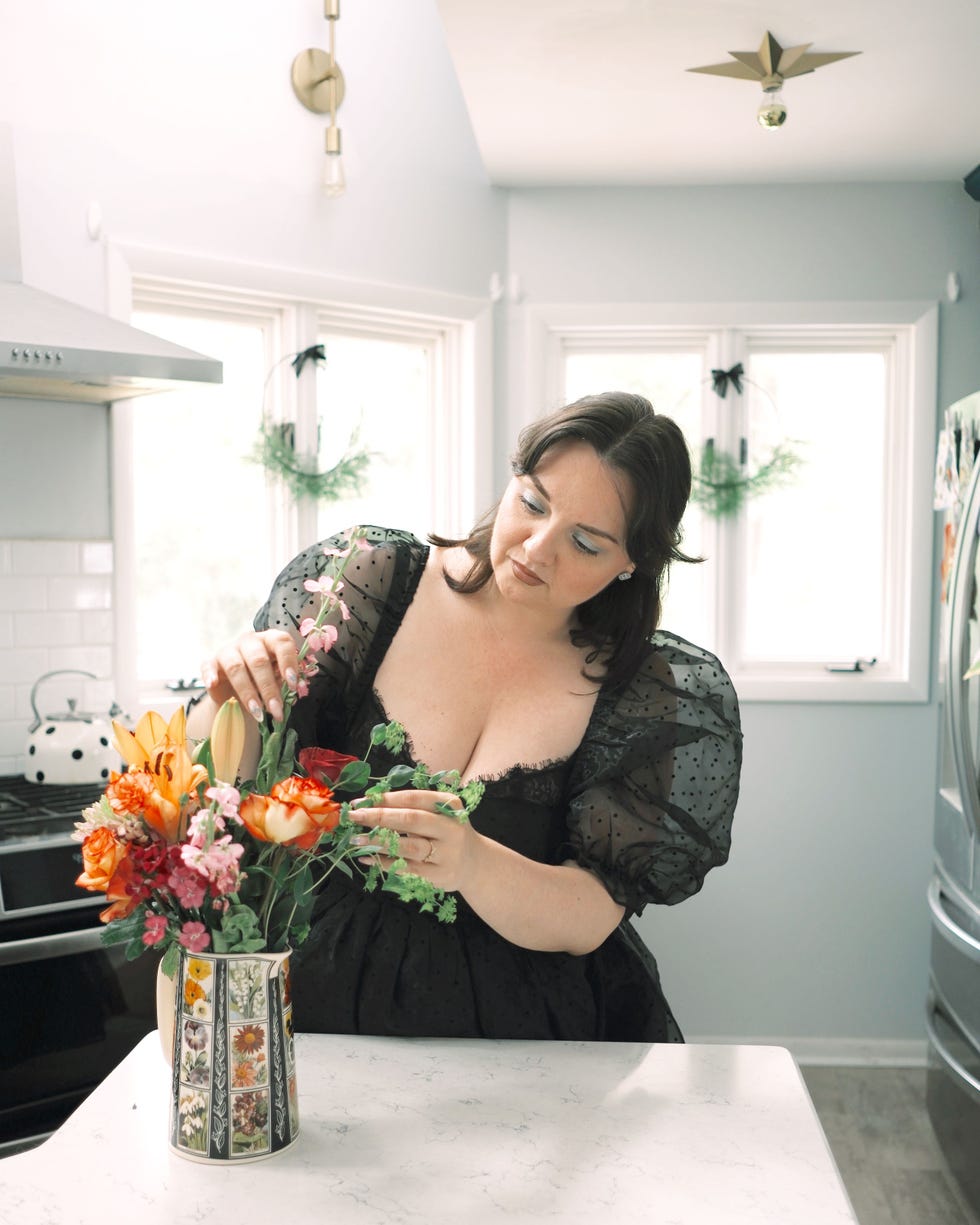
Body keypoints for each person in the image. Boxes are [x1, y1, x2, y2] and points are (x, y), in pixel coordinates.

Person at [188, 391, 741, 1041]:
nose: (536, 548)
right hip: (314, 992)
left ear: (633, 563)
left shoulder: (646, 689)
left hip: (520, 1029)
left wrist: (474, 864)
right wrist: (228, 696)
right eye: (533, 502)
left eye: (585, 542)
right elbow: (232, 780)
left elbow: (592, 911)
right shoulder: (368, 580)